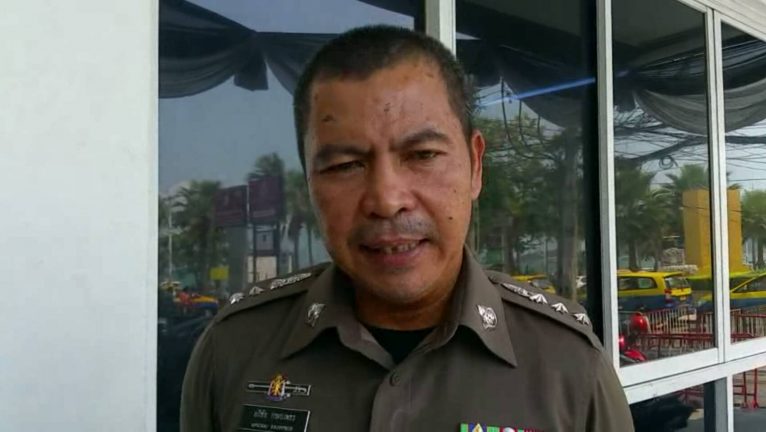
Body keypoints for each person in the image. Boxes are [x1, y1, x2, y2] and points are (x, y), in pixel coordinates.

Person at [181, 25, 633, 432]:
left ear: (475, 166)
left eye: (422, 155)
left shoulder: (570, 367)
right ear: (311, 183)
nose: (386, 199)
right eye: (345, 165)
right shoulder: (233, 349)